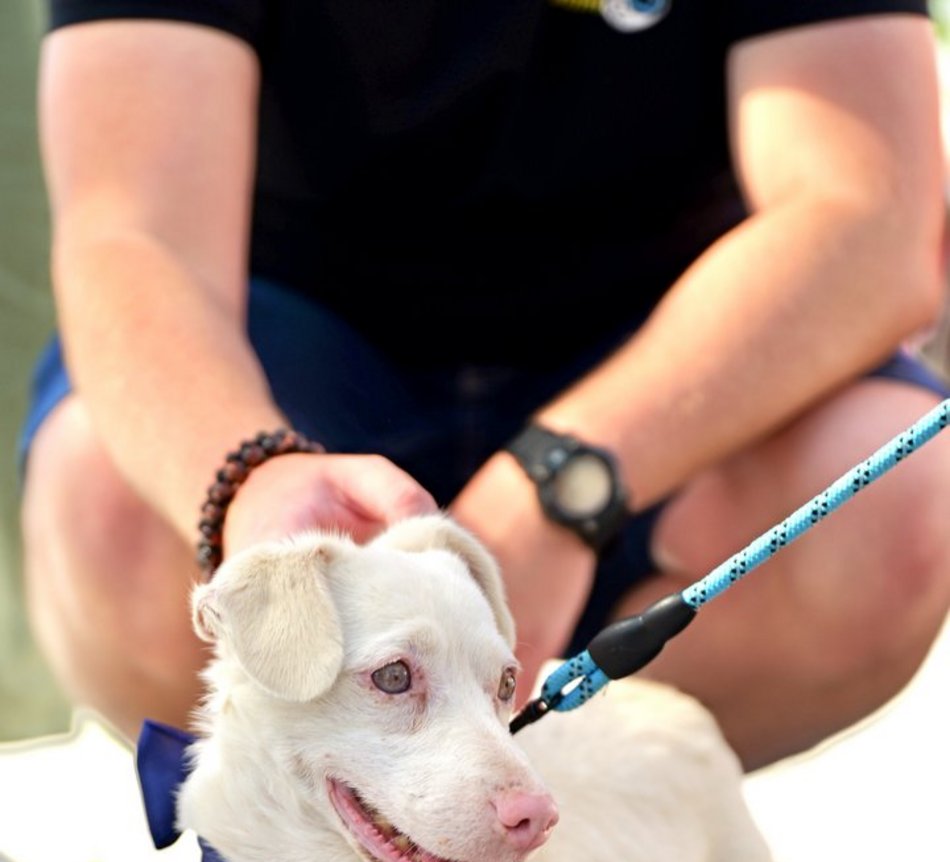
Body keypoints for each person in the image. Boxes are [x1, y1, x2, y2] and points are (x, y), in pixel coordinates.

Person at [20, 0, 950, 769]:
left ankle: (602, 821)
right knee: (109, 497)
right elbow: (132, 233)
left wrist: (560, 485)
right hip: (297, 335)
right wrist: (245, 479)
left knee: (906, 504)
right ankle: (327, 851)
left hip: (671, 359)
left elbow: (874, 214)